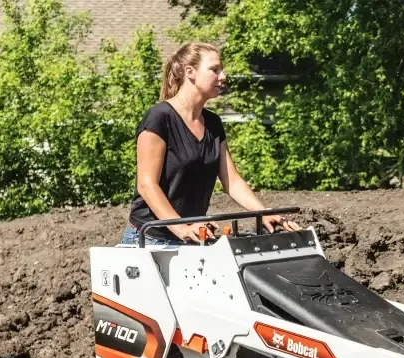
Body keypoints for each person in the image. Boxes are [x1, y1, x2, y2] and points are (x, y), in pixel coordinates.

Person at [121, 41, 301, 246]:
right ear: (190, 72)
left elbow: (232, 181)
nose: (223, 76)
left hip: (191, 236)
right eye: (215, 70)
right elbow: (147, 184)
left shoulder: (213, 123)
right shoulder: (159, 117)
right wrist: (181, 226)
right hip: (150, 239)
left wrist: (264, 213)